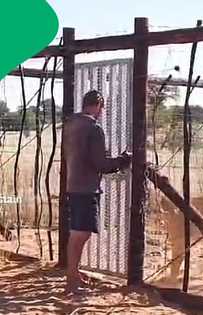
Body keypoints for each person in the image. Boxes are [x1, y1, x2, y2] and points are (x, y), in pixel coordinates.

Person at [63, 90, 131, 293]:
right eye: (102, 107)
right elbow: (101, 164)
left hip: (74, 185)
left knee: (77, 233)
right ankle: (72, 282)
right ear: (97, 105)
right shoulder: (93, 128)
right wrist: (122, 160)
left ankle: (73, 276)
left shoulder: (71, 124)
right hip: (86, 188)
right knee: (80, 234)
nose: (102, 111)